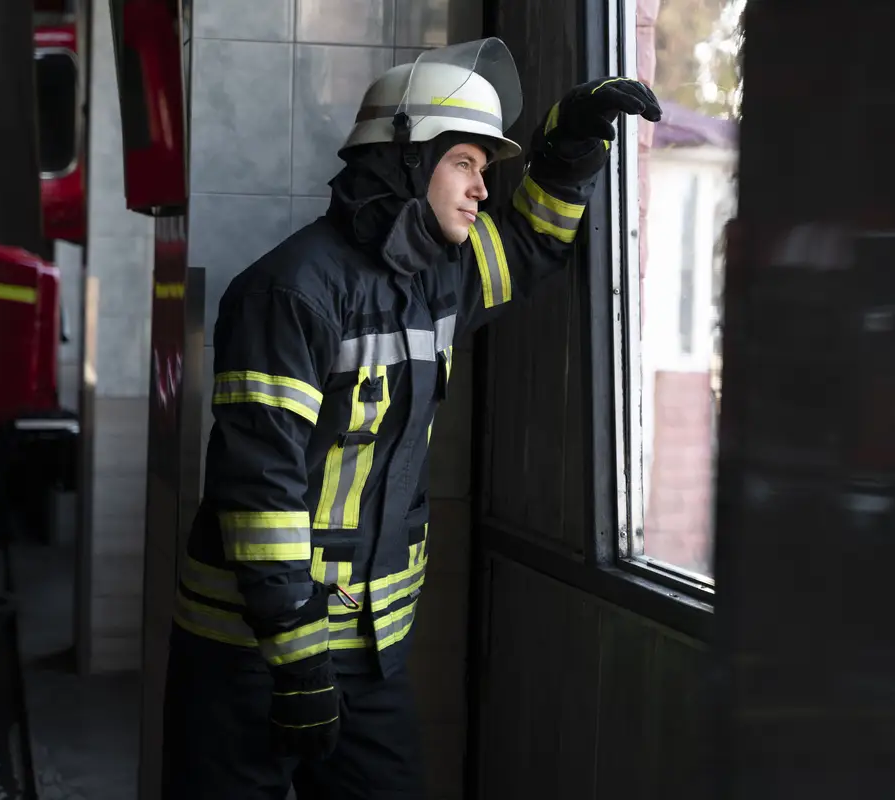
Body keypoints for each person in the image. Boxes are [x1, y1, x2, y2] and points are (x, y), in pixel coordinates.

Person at [162, 37, 661, 800]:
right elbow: (258, 492)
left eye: (484, 172)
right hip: (248, 657)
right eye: (465, 163)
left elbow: (528, 245)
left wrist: (568, 151)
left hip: (367, 660)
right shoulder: (290, 293)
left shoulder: (436, 284)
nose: (482, 190)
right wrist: (295, 662)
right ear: (404, 159)